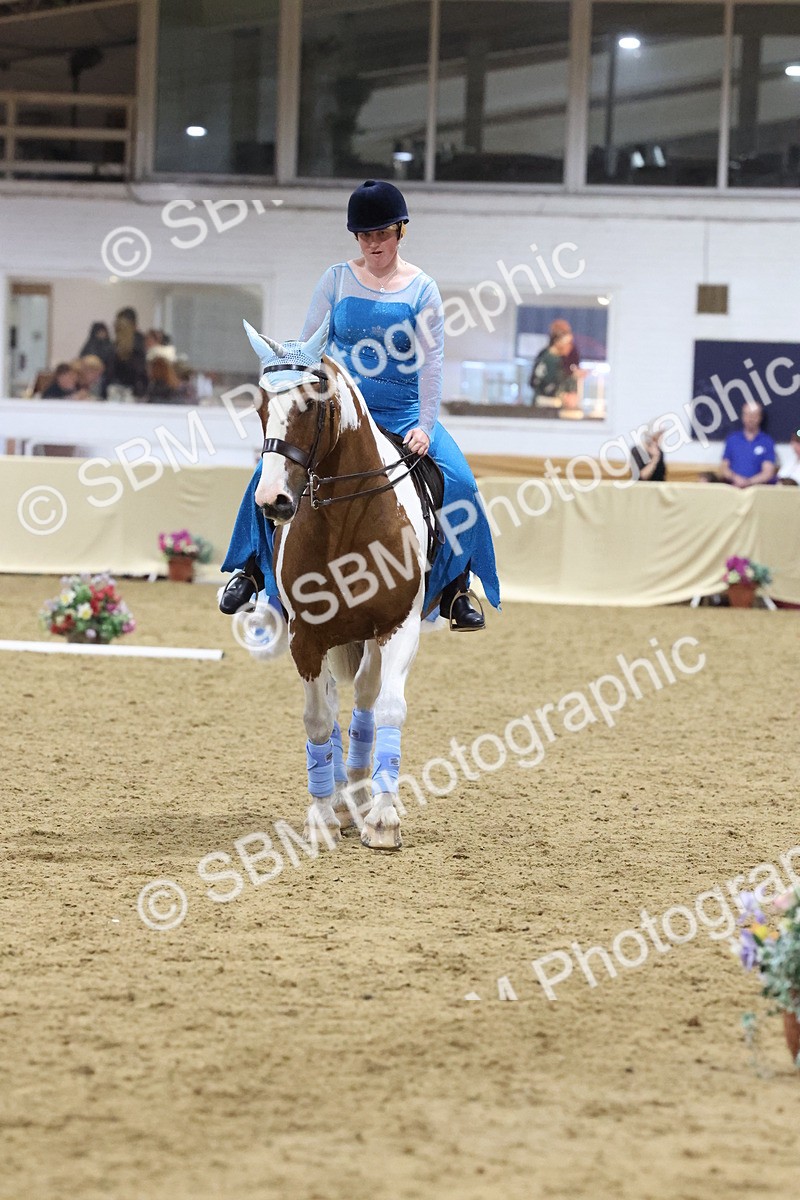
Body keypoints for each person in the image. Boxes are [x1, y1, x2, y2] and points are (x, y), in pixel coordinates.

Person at [219, 179, 500, 631]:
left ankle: (453, 589)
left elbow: (432, 364)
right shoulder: (335, 279)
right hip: (341, 414)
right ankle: (252, 572)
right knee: (268, 472)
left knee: (462, 483)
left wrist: (426, 426)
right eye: (365, 235)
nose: (374, 244)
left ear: (400, 231)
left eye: (382, 234)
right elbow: (311, 347)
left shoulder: (423, 288)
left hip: (403, 411)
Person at [721, 402, 777, 487]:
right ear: (742, 416)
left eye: (754, 415)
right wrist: (736, 478)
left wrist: (748, 482)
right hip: (732, 487)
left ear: (760, 417)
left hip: (757, 490)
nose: (750, 419)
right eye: (747, 415)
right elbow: (724, 468)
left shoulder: (767, 441)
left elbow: (768, 472)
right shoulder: (732, 439)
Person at [106, 307, 148, 398]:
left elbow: (110, 372)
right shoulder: (140, 345)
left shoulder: (115, 348)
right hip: (133, 390)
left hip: (120, 389)